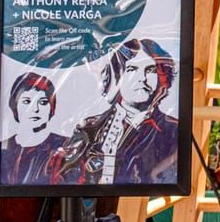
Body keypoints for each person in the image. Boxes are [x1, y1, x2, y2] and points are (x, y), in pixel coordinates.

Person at [52, 39, 179, 188]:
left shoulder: (172, 130)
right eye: (132, 69)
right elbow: (65, 177)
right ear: (118, 77)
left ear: (161, 77)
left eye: (150, 70)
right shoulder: (89, 127)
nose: (142, 78)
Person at [0, 72, 63, 188]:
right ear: (15, 106)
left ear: (51, 108)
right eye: (27, 102)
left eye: (43, 102)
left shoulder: (64, 145)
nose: (35, 109)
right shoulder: (2, 148)